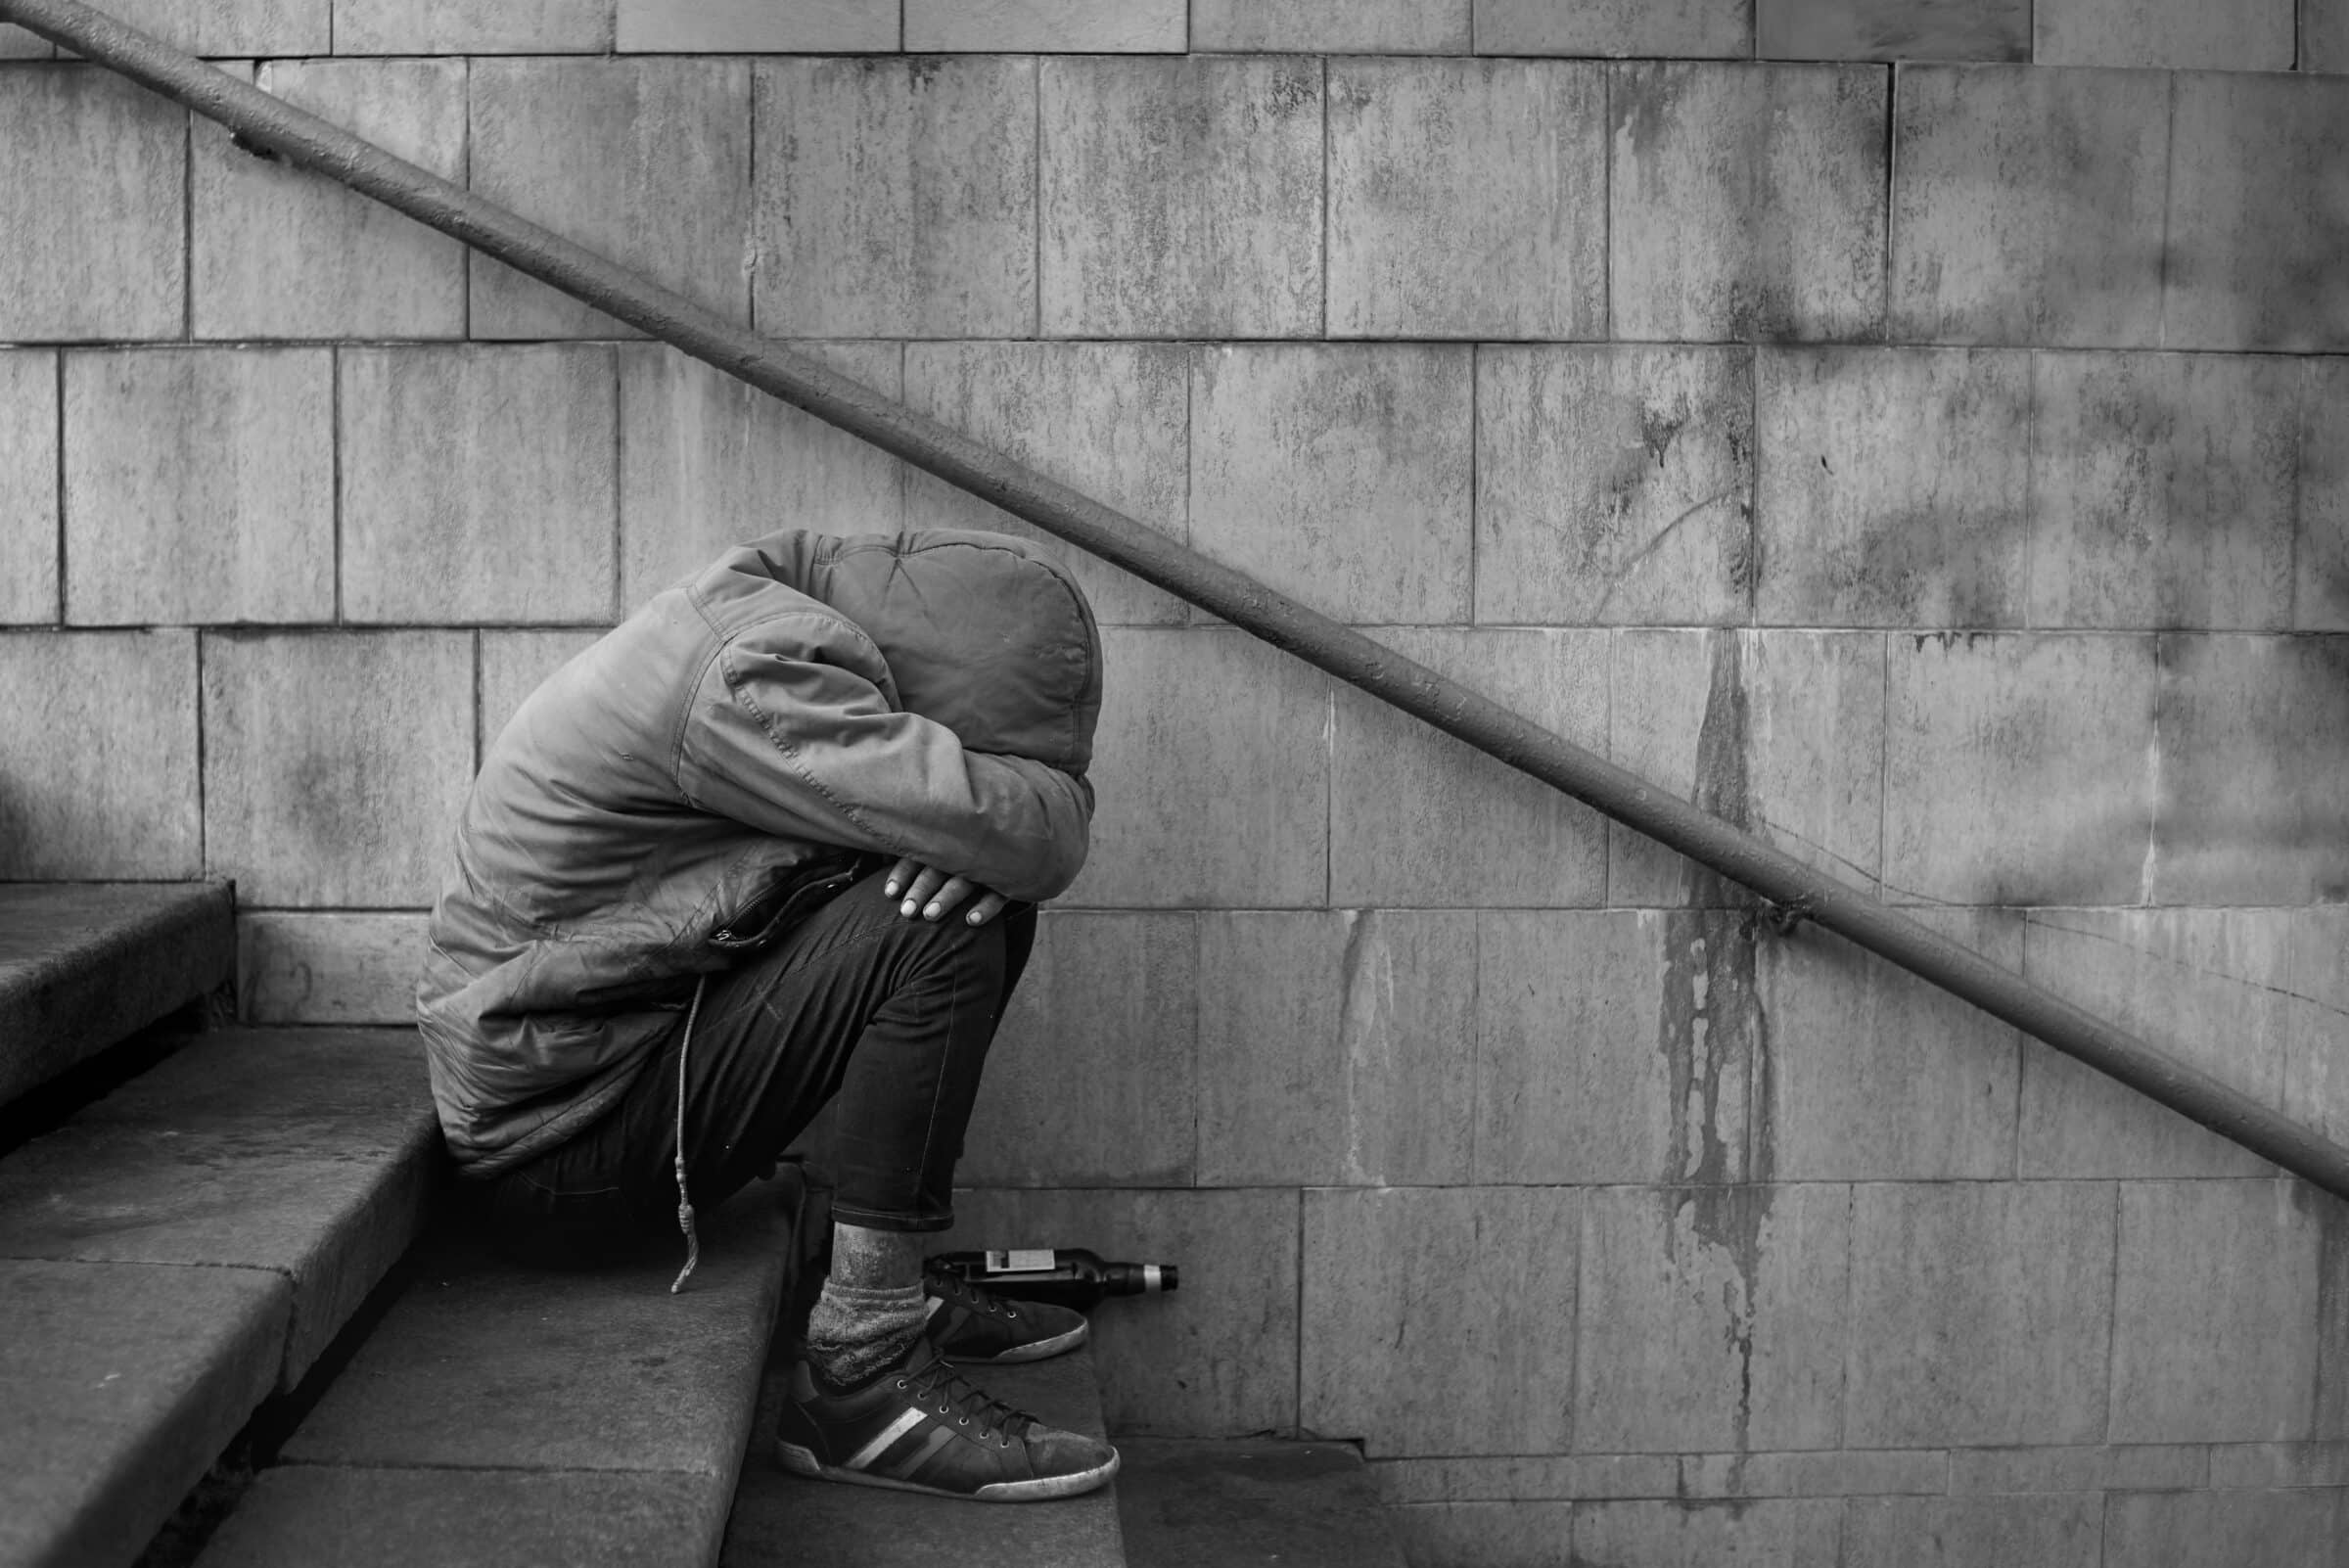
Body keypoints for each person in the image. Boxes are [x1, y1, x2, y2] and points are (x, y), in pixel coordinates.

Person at [415, 528, 1118, 1502]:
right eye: (980, 739)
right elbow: (1034, 838)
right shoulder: (754, 678)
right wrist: (1007, 820)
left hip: (625, 1063)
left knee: (961, 886)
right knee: (943, 919)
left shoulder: (769, 628)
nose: (971, 753)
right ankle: (860, 1372)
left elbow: (995, 843)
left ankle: (878, 1280)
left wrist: (977, 844)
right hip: (557, 1156)